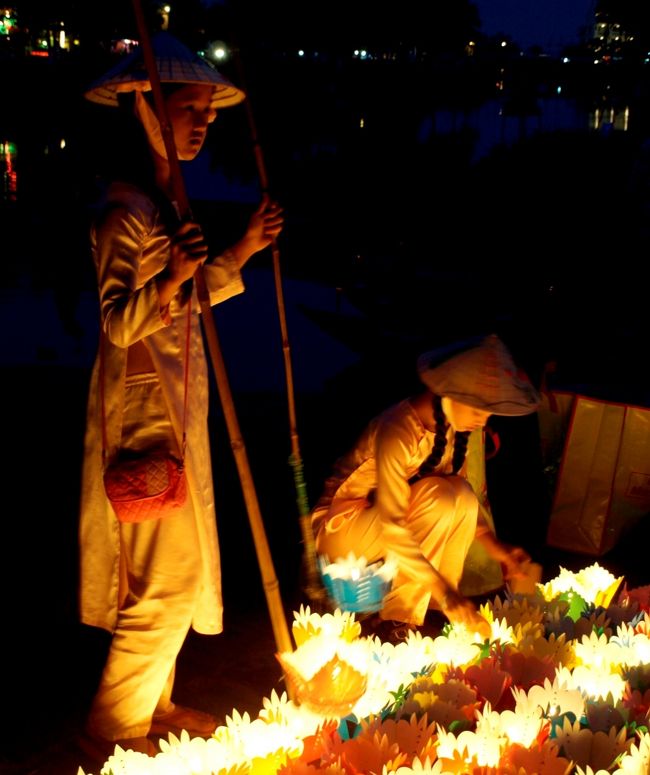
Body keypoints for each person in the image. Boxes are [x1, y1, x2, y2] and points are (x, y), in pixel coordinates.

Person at [77, 32, 284, 758]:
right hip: (141, 416)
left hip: (178, 405)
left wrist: (240, 254)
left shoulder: (165, 203)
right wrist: (166, 284)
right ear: (144, 106)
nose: (201, 122)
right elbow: (114, 324)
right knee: (168, 577)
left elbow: (186, 303)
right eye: (187, 107)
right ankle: (116, 723)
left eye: (207, 111)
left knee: (177, 568)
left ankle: (153, 704)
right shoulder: (126, 213)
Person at [311, 334, 539, 640]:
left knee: (459, 494)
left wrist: (500, 551)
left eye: (487, 414)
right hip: (343, 528)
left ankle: (432, 609)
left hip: (389, 520)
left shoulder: (455, 430)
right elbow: (393, 526)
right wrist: (445, 591)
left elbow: (462, 502)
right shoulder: (397, 430)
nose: (482, 422)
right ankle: (397, 618)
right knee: (438, 498)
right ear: (451, 394)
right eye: (477, 411)